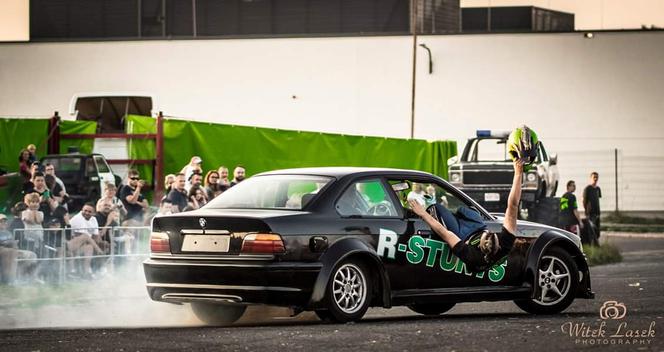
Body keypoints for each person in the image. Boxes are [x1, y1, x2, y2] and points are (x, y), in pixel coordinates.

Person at [409, 126, 537, 271]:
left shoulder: (471, 255)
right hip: (477, 225)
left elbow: (444, 233)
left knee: (437, 209)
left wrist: (422, 214)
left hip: (461, 234)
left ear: (483, 248)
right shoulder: (505, 243)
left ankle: (442, 211)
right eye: (492, 236)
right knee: (466, 209)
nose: (489, 236)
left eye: (486, 240)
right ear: (497, 241)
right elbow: (513, 205)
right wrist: (518, 172)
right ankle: (459, 212)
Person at [68, 203, 106, 278]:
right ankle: (99, 255)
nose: (86, 213)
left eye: (89, 211)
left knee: (90, 247)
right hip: (70, 245)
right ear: (82, 210)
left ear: (93, 213)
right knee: (86, 237)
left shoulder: (93, 219)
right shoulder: (78, 218)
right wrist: (98, 248)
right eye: (85, 210)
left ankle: (87, 272)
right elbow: (83, 236)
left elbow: (96, 236)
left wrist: (101, 243)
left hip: (82, 245)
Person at [0, 213, 38, 284]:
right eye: (1, 221)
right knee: (10, 252)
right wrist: (6, 243)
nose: (3, 223)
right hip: (3, 251)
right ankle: (10, 280)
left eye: (4, 221)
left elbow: (14, 244)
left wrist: (14, 244)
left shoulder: (8, 233)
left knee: (31, 255)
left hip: (12, 250)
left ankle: (29, 278)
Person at [582, 172, 602, 239]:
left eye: (597, 177)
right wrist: (586, 211)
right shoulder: (587, 189)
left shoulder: (598, 189)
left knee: (597, 231)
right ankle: (592, 245)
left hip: (597, 213)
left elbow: (597, 200)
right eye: (594, 177)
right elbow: (584, 201)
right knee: (591, 231)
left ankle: (596, 246)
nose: (595, 179)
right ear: (591, 178)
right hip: (590, 213)